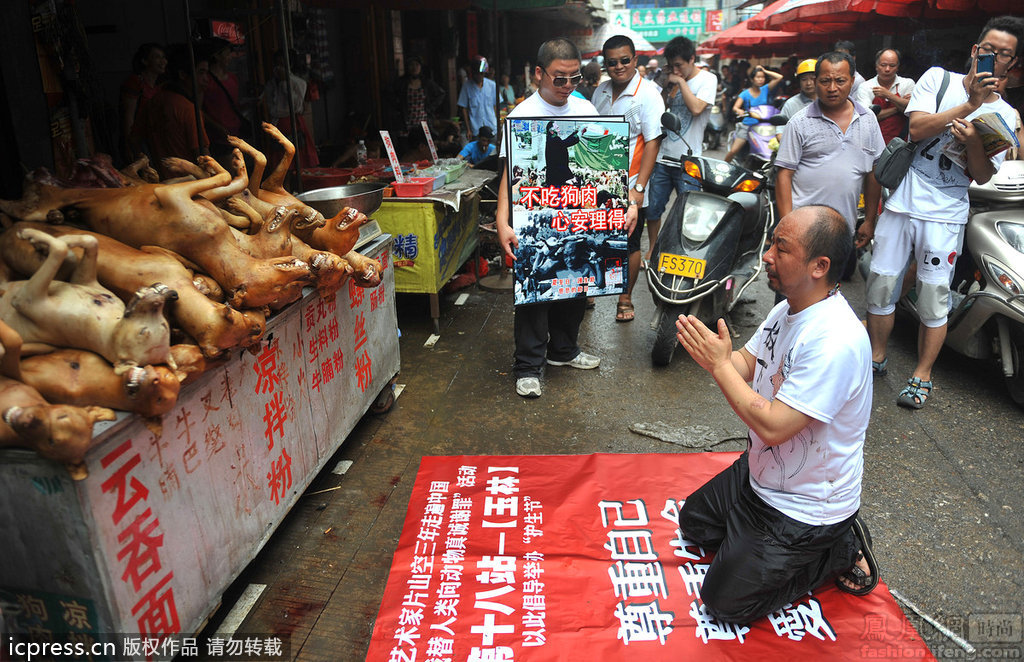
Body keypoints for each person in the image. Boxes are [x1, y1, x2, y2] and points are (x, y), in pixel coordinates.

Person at [675, 205, 878, 624]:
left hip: (803, 507)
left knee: (724, 603)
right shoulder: (789, 307)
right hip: (763, 476)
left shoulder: (834, 339)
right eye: (771, 243)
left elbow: (773, 427)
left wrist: (718, 366)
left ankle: (838, 548)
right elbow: (747, 364)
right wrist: (718, 357)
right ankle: (757, 546)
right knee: (694, 523)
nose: (767, 255)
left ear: (819, 266)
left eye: (780, 249)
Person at [860, 16, 1022, 409]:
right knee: (882, 283)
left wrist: (972, 145)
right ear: (975, 51)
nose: (994, 59)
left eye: (1004, 55)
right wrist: (969, 106)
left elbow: (982, 175)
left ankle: (922, 374)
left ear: (1011, 65)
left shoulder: (1008, 117)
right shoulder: (938, 80)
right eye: (989, 50)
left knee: (933, 296)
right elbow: (916, 129)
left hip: (948, 212)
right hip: (902, 203)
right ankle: (876, 357)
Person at [495, 38, 607, 399]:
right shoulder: (521, 115)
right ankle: (528, 365)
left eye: (575, 78)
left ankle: (563, 350)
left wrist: (623, 205)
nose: (568, 87)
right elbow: (506, 175)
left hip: (575, 209)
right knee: (534, 288)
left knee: (575, 278)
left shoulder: (585, 109)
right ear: (538, 74)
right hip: (533, 211)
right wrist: (502, 220)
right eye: (560, 79)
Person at [775, 52, 884, 261]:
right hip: (801, 229)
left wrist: (870, 220)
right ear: (816, 82)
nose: (832, 88)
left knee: (830, 289)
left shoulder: (868, 119)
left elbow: (873, 172)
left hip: (843, 230)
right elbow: (784, 175)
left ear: (852, 81)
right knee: (793, 289)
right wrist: (786, 225)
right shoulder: (799, 122)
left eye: (840, 81)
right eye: (825, 81)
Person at [592, 35, 665, 322]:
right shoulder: (600, 92)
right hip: (598, 183)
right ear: (605, 65)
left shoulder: (647, 94)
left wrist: (638, 188)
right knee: (596, 237)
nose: (619, 67)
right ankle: (588, 289)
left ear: (635, 60)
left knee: (629, 242)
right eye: (612, 62)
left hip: (632, 182)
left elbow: (653, 142)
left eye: (624, 60)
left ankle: (625, 298)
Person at [646, 36, 718, 262]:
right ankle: (653, 248)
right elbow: (655, 113)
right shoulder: (670, 81)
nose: (675, 70)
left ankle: (682, 252)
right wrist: (666, 85)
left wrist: (681, 82)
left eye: (679, 65)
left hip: (690, 161)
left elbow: (697, 108)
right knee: (653, 210)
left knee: (689, 213)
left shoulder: (708, 79)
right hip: (662, 158)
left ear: (692, 59)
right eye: (672, 65)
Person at [131, 44, 210, 180]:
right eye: (201, 72)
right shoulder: (187, 109)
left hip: (161, 183)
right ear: (183, 75)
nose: (206, 79)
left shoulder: (154, 101)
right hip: (190, 186)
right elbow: (205, 160)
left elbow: (134, 140)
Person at [262, 49, 318, 168]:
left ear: (290, 65)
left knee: (298, 161)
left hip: (293, 123)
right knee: (280, 164)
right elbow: (271, 107)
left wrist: (284, 83)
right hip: (277, 125)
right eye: (277, 64)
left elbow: (296, 105)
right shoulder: (271, 84)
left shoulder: (299, 83)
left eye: (283, 64)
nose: (279, 68)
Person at [724, 65, 783, 163]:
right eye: (758, 77)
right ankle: (724, 166)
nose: (761, 79)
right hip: (748, 125)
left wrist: (764, 70)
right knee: (734, 150)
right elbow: (735, 107)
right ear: (752, 79)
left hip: (765, 125)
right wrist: (739, 111)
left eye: (762, 77)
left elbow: (779, 77)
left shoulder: (765, 89)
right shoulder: (745, 94)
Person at [200, 38, 246, 164]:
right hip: (217, 138)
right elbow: (198, 110)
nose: (230, 57)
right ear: (216, 55)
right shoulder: (206, 80)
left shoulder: (233, 78)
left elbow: (235, 104)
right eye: (227, 53)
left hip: (236, 134)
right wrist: (218, 127)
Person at [120, 43, 166, 163]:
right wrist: (129, 145)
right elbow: (128, 115)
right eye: (157, 57)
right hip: (138, 139)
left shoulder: (158, 86)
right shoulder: (135, 82)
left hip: (153, 138)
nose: (163, 61)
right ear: (145, 61)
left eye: (163, 57)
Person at [866, 49, 916, 145]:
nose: (887, 69)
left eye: (892, 66)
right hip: (872, 142)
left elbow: (912, 109)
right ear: (876, 66)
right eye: (883, 65)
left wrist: (888, 95)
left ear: (898, 67)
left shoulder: (907, 83)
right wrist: (898, 108)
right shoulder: (866, 86)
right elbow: (867, 116)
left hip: (900, 142)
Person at [393, 56, 445, 140]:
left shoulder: (426, 82)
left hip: (423, 121)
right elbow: (388, 94)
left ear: (421, 67)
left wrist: (430, 107)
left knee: (423, 146)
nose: (414, 68)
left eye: (417, 65)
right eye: (411, 65)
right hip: (406, 122)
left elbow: (441, 93)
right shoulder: (401, 83)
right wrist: (398, 106)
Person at [458, 55, 498, 142]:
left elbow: (496, 106)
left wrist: (497, 123)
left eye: (482, 74)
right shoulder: (466, 86)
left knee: (493, 152)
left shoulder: (492, 85)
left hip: (492, 126)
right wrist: (468, 129)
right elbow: (464, 109)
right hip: (476, 130)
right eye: (477, 74)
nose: (480, 76)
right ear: (473, 73)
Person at [834, 41, 875, 109]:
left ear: (853, 58)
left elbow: (855, 107)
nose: (840, 60)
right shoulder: (831, 76)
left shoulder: (858, 81)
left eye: (844, 56)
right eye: (837, 56)